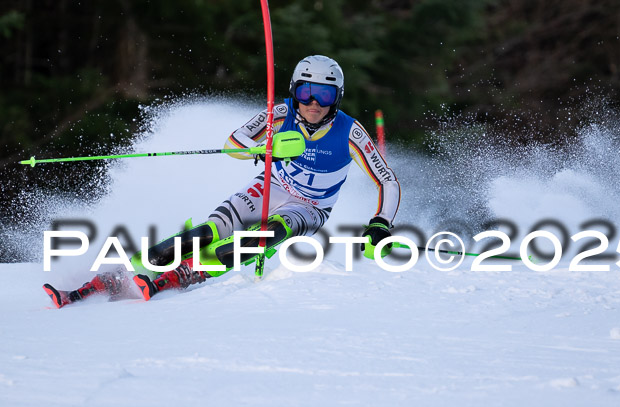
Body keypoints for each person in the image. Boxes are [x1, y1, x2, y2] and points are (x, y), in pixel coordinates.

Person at [43, 55, 401, 308]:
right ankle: (117, 275)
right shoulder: (280, 114)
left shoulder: (350, 132)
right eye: (306, 91)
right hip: (268, 188)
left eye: (323, 95)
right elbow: (234, 144)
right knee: (205, 233)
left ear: (335, 98)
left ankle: (183, 275)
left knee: (259, 238)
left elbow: (387, 181)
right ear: (295, 89)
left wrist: (380, 224)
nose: (312, 103)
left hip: (309, 208)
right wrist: (263, 149)